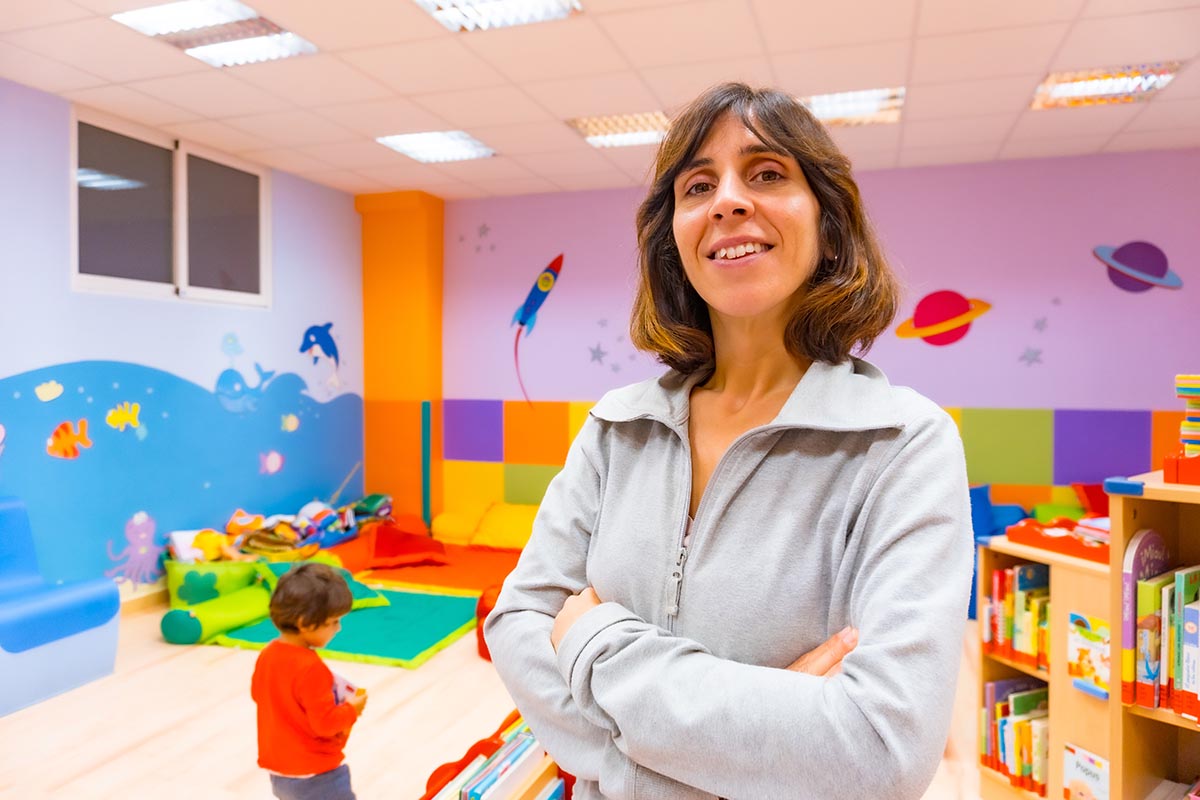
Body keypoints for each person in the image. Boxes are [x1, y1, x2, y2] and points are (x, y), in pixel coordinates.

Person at [483, 81, 972, 800]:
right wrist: (749, 748)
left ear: (829, 222)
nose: (728, 201)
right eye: (698, 185)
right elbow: (518, 620)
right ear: (673, 237)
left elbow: (879, 752)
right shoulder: (617, 428)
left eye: (768, 173)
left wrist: (593, 641)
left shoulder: (903, 443)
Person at [251, 562, 368, 800]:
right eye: (334, 621)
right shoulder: (311, 668)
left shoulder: (268, 654)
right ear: (305, 623)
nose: (338, 628)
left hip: (280, 770)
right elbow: (325, 724)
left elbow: (259, 694)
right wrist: (352, 709)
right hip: (317, 773)